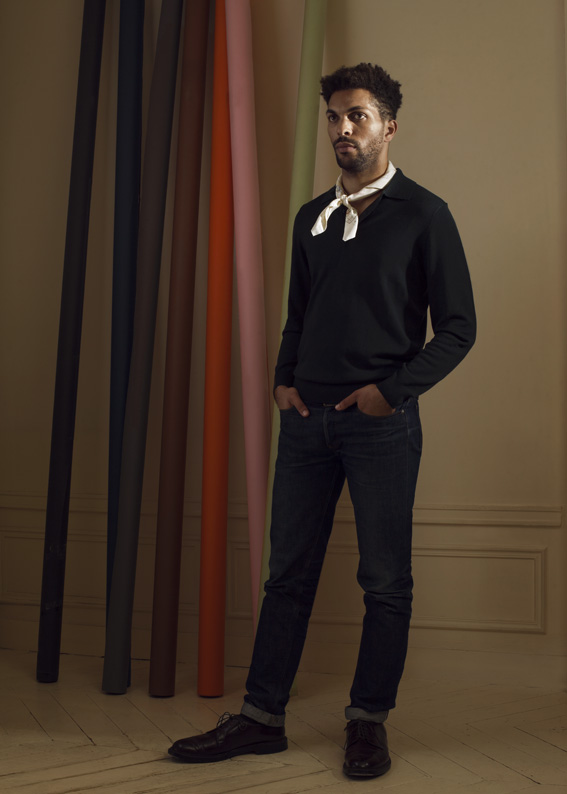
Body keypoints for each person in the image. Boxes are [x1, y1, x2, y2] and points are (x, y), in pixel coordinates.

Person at [169, 62, 476, 779]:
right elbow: (299, 314)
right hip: (307, 426)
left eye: (357, 116)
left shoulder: (425, 214)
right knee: (286, 576)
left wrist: (390, 393)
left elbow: (459, 328)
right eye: (334, 116)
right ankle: (260, 718)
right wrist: (282, 381)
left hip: (379, 427)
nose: (343, 128)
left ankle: (367, 722)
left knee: (385, 581)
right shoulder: (313, 216)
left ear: (388, 126)